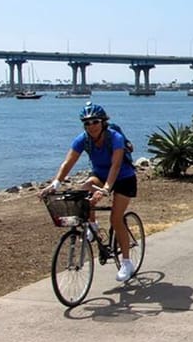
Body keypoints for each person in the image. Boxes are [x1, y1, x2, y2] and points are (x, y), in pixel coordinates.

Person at [40, 102, 139, 282]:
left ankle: (126, 263)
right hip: (100, 175)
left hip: (124, 178)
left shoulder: (114, 137)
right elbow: (68, 163)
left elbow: (116, 165)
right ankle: (92, 226)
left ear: (102, 122)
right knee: (85, 189)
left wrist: (107, 189)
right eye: (87, 123)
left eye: (94, 122)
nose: (91, 126)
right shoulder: (83, 139)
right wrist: (55, 184)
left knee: (116, 219)